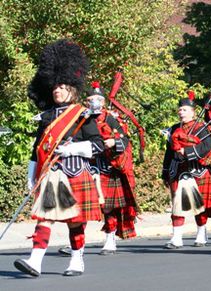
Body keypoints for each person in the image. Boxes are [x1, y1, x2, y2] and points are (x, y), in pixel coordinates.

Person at [14, 39, 103, 277]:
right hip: (51, 174)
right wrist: (31, 174)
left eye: (62, 87)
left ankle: (76, 261)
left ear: (72, 89)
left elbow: (98, 145)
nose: (57, 90)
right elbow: (37, 147)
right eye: (55, 87)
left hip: (75, 172)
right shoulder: (46, 116)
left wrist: (72, 149)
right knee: (45, 218)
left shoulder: (83, 115)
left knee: (75, 222)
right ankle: (35, 261)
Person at [161, 91, 211, 249]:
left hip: (197, 170)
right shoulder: (173, 128)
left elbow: (207, 147)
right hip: (178, 170)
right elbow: (168, 152)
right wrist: (165, 173)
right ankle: (177, 237)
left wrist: (186, 152)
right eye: (180, 110)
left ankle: (201, 233)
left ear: (193, 112)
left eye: (185, 110)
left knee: (199, 205)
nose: (181, 112)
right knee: (177, 205)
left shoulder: (202, 127)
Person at [86, 82, 138, 255]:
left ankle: (110, 238)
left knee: (108, 207)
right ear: (86, 101)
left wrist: (113, 142)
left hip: (107, 167)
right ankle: (76, 242)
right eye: (91, 99)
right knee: (80, 206)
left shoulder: (110, 118)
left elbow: (124, 141)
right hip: (86, 167)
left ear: (102, 101)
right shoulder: (82, 117)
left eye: (98, 99)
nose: (94, 102)